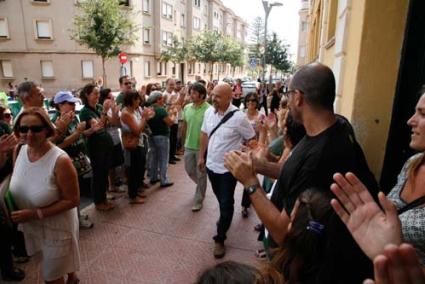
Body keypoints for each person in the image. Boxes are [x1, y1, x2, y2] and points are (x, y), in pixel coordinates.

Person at [330, 89, 425, 264]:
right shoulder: (413, 163)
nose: (410, 121)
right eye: (415, 112)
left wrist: (395, 259)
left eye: (423, 114)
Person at [10, 108, 80, 283]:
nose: (29, 134)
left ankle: (70, 275)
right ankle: (71, 276)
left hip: (57, 229)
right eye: (24, 129)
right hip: (31, 226)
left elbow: (73, 200)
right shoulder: (19, 150)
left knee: (51, 277)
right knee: (48, 265)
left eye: (36, 128)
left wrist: (35, 214)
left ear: (47, 129)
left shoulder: (61, 161)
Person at [198, 83, 256, 258]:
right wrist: (201, 156)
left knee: (226, 203)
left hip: (228, 170)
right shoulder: (208, 112)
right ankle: (225, 217)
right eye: (213, 95)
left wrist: (246, 155)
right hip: (211, 166)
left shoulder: (239, 118)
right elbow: (204, 134)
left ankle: (220, 237)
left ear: (230, 98)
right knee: (221, 199)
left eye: (218, 96)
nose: (213, 98)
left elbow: (251, 138)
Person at [52, 91, 94, 229]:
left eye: (73, 103)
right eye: (69, 103)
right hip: (67, 162)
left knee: (78, 190)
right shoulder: (56, 123)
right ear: (59, 105)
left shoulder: (74, 118)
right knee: (71, 193)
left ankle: (78, 215)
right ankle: (75, 219)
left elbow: (80, 135)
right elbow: (58, 145)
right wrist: (77, 133)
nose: (73, 106)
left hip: (79, 159)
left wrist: (90, 130)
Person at [79, 83, 115, 211]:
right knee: (98, 174)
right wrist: (105, 112)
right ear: (87, 95)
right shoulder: (85, 112)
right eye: (95, 93)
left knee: (104, 172)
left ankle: (104, 198)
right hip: (95, 147)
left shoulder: (98, 107)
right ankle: (98, 201)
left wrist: (111, 111)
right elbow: (98, 126)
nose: (98, 96)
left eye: (99, 93)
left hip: (105, 145)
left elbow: (107, 123)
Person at [121, 91, 154, 204]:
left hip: (139, 143)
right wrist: (144, 118)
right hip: (132, 146)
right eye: (137, 99)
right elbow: (137, 130)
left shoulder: (135, 110)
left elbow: (141, 124)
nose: (139, 101)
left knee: (138, 169)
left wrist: (146, 117)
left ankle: (135, 191)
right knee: (132, 171)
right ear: (132, 100)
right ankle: (132, 196)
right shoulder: (126, 113)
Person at [182, 82, 210, 212]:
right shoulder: (187, 107)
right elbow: (185, 126)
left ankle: (199, 200)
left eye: (194, 93)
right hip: (189, 145)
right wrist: (183, 143)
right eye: (190, 92)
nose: (191, 95)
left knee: (201, 173)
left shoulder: (209, 109)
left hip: (202, 148)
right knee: (189, 170)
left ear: (202, 95)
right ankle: (201, 186)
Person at [241, 93, 265, 218]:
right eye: (248, 101)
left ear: (257, 102)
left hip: (253, 151)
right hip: (241, 149)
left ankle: (245, 205)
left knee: (249, 177)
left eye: (253, 101)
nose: (250, 103)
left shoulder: (261, 116)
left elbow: (263, 134)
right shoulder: (241, 114)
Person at [146, 91, 175, 188]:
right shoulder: (161, 110)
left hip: (152, 136)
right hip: (162, 136)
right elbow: (170, 122)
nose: (164, 100)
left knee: (154, 157)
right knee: (163, 158)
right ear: (158, 100)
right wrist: (173, 114)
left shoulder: (149, 109)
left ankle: (153, 177)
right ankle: (164, 179)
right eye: (162, 98)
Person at [99, 88, 125, 195]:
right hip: (107, 140)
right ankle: (110, 187)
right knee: (108, 165)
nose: (112, 99)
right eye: (110, 98)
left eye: (113, 97)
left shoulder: (113, 109)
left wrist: (115, 112)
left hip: (115, 139)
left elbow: (118, 124)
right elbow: (105, 124)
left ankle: (113, 186)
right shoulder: (103, 110)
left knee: (115, 163)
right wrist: (110, 111)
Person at [163, 78, 181, 164]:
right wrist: (169, 103)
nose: (172, 86)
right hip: (168, 120)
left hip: (175, 119)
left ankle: (173, 155)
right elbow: (163, 108)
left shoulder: (175, 94)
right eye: (170, 84)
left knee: (174, 138)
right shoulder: (164, 95)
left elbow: (178, 105)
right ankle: (169, 157)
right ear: (166, 85)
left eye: (173, 84)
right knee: (169, 139)